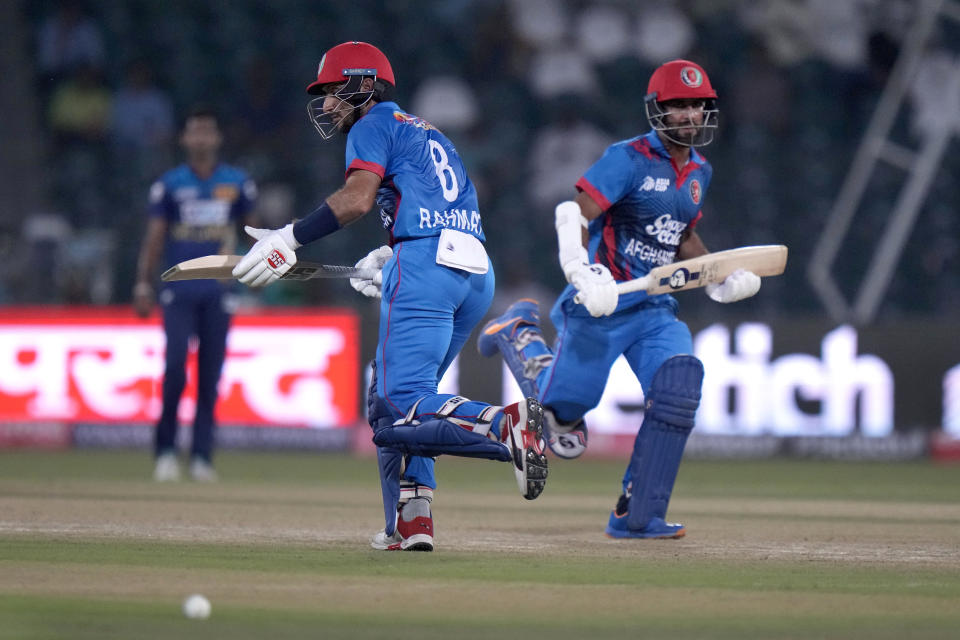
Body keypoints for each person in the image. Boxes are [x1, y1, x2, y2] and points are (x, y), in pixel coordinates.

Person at [230, 41, 548, 552]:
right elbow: (434, 206)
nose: (329, 105)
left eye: (334, 92)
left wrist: (289, 239)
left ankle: (504, 424)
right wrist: (389, 256)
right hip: (471, 268)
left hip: (427, 265)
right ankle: (411, 520)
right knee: (403, 403)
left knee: (396, 405)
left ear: (363, 86)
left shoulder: (371, 124)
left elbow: (356, 200)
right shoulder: (429, 132)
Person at [478, 59, 762, 539]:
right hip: (601, 303)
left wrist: (715, 275)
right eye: (679, 106)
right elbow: (574, 211)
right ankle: (520, 336)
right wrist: (579, 269)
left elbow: (682, 235)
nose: (691, 115)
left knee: (678, 388)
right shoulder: (626, 158)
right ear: (658, 111)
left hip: (654, 310)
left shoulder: (700, 172)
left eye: (698, 105)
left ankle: (638, 515)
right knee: (561, 417)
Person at [134, 105, 258, 483]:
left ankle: (202, 456)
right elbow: (155, 236)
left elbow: (252, 234)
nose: (202, 138)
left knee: (210, 376)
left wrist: (255, 277)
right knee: (174, 370)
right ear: (185, 139)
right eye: (195, 132)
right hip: (178, 289)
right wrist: (143, 281)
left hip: (219, 290)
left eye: (207, 131)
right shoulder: (170, 184)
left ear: (217, 138)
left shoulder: (237, 182)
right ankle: (166, 452)